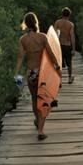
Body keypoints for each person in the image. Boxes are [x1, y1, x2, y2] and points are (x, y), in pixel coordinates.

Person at [15, 12, 50, 141]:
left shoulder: (23, 39)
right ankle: (40, 130)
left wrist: (17, 73)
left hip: (31, 73)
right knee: (44, 101)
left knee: (35, 99)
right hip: (41, 72)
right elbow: (51, 54)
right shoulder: (42, 37)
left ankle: (37, 120)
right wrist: (57, 67)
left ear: (25, 23)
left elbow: (20, 57)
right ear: (36, 22)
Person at [54, 7, 76, 84]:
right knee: (69, 63)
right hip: (67, 45)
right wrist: (73, 49)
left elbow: (54, 35)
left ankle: (59, 80)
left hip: (59, 45)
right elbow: (72, 37)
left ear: (62, 14)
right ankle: (70, 78)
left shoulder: (57, 23)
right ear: (69, 15)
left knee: (59, 63)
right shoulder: (71, 24)